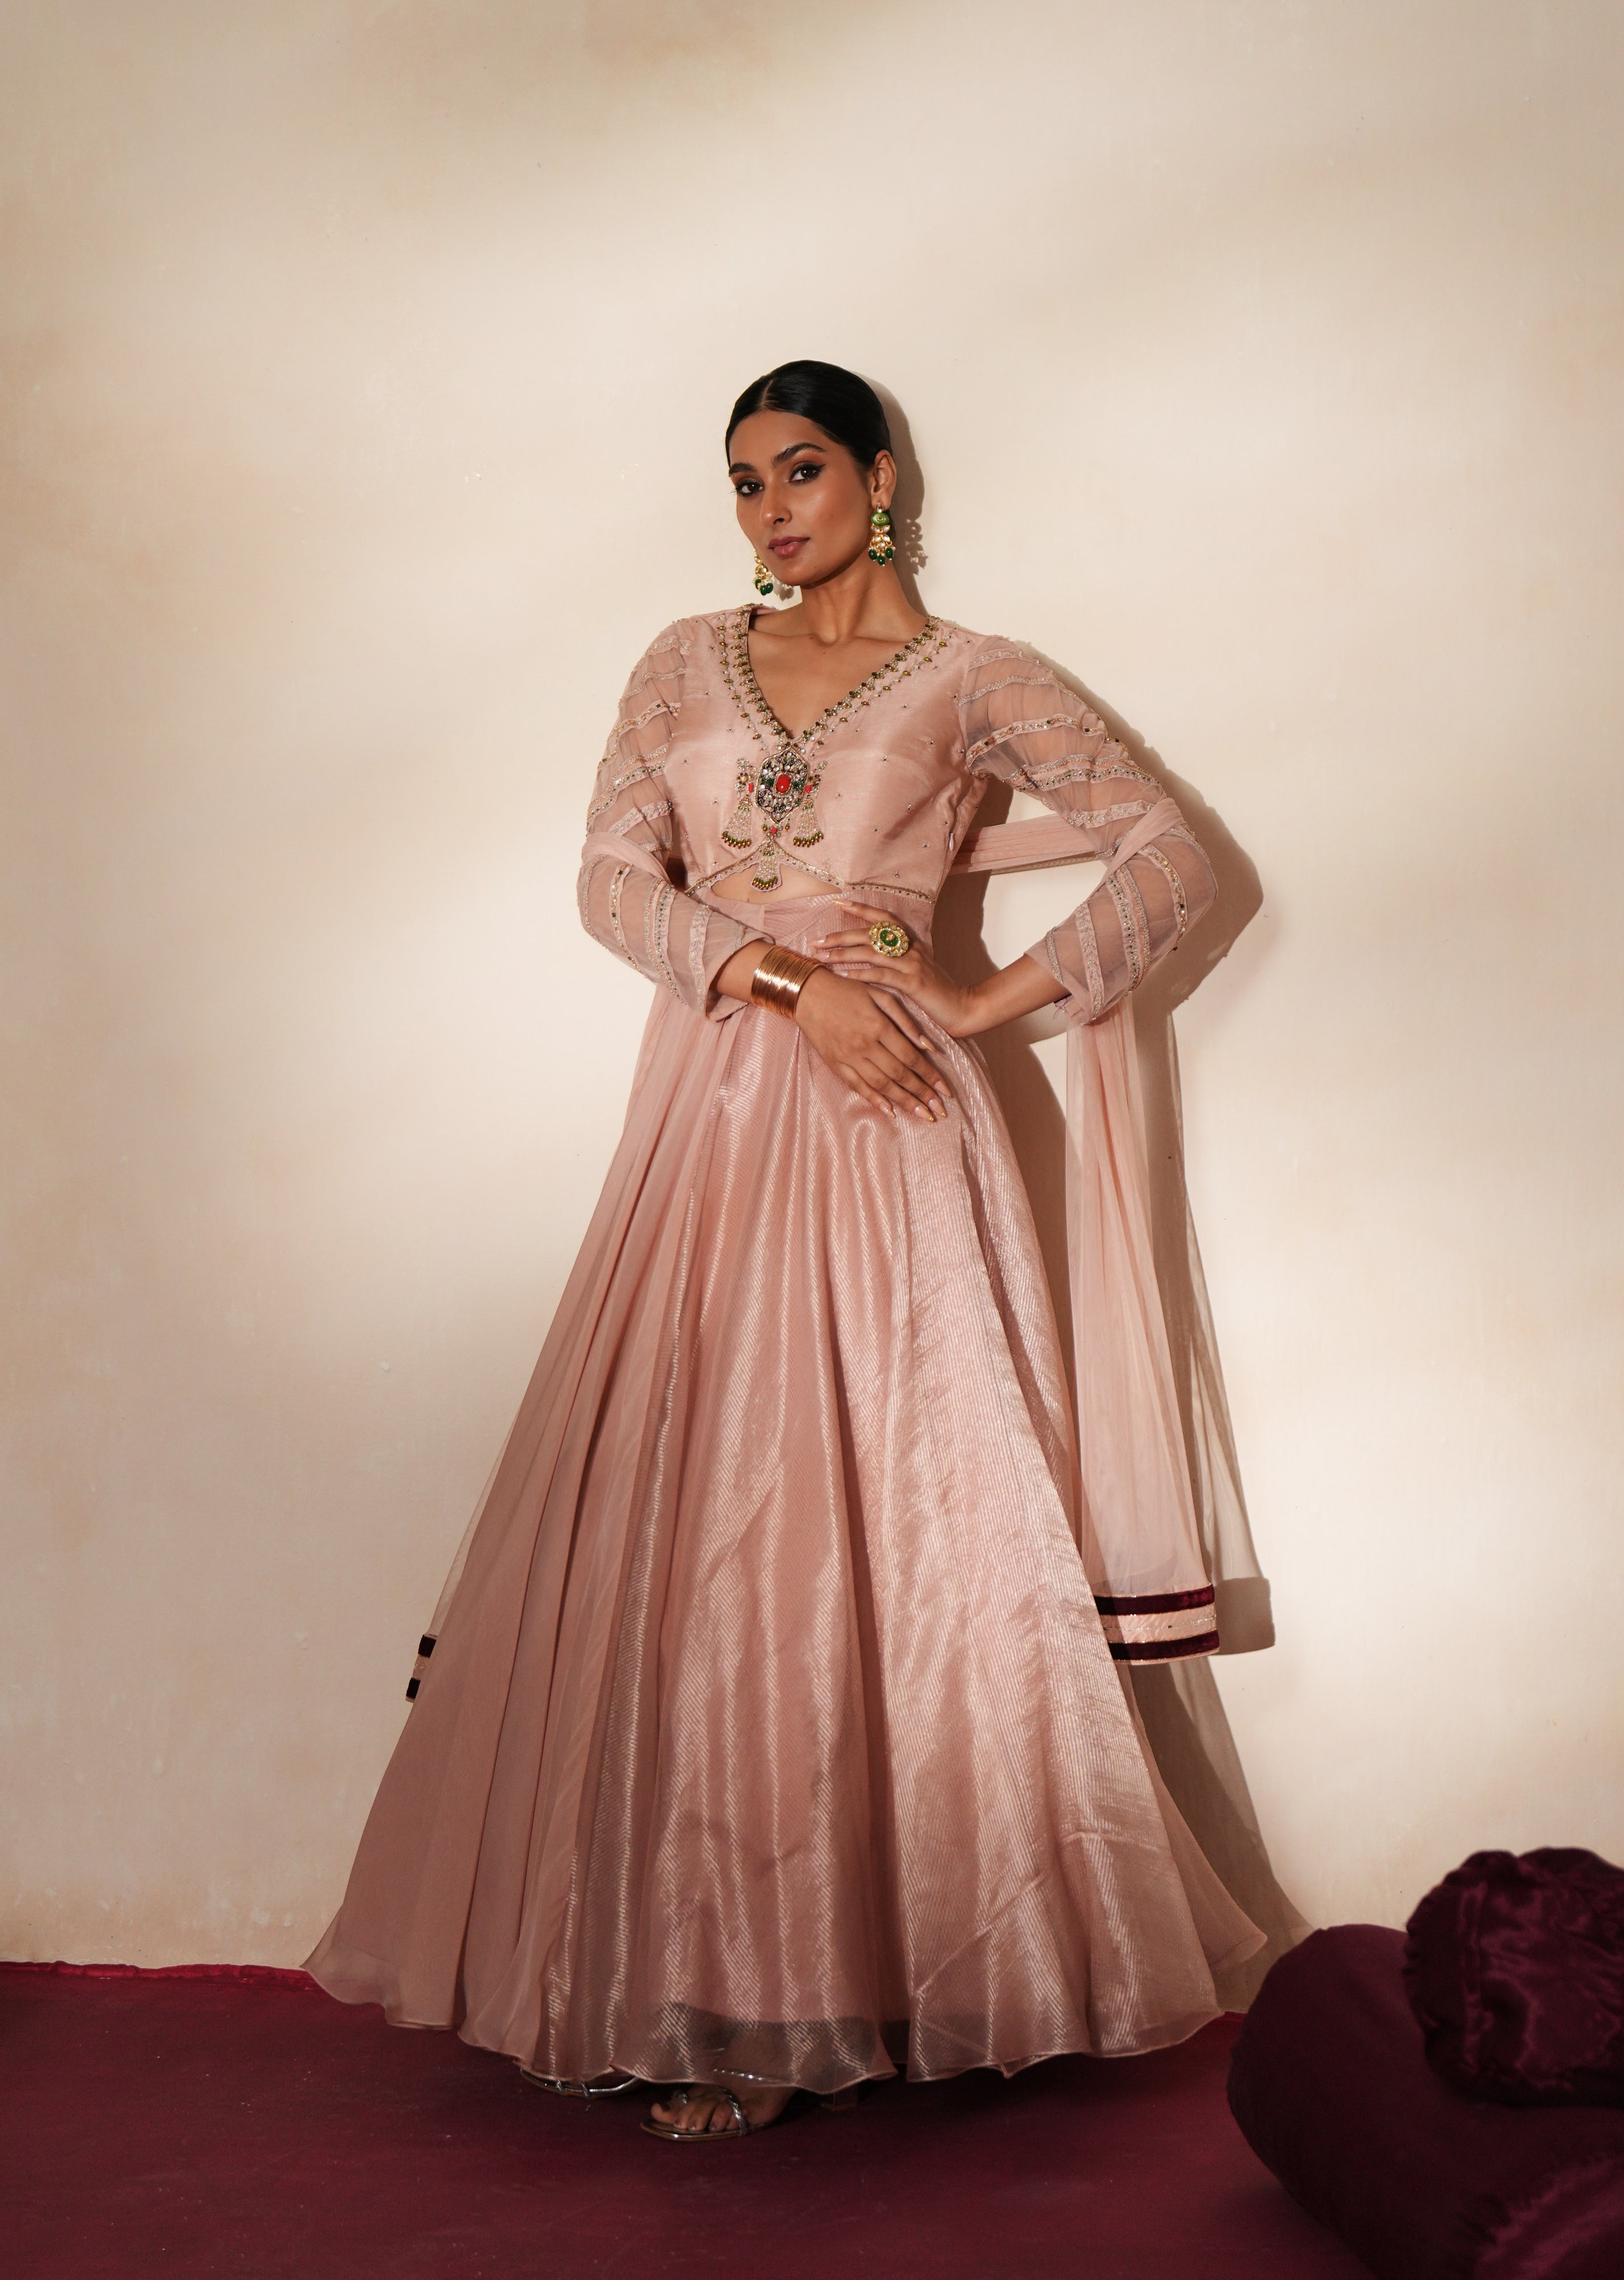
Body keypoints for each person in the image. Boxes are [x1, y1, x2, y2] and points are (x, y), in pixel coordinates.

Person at [307, 360, 1267, 2141]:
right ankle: (682, 1970)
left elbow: (1169, 859)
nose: (771, 508)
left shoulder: (980, 676)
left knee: (874, 1512)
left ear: (880, 479)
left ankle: (853, 1981)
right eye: (745, 480)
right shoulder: (683, 659)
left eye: (803, 468)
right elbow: (613, 879)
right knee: (696, 1504)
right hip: (716, 1101)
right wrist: (780, 980)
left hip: (888, 1118)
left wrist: (977, 997)